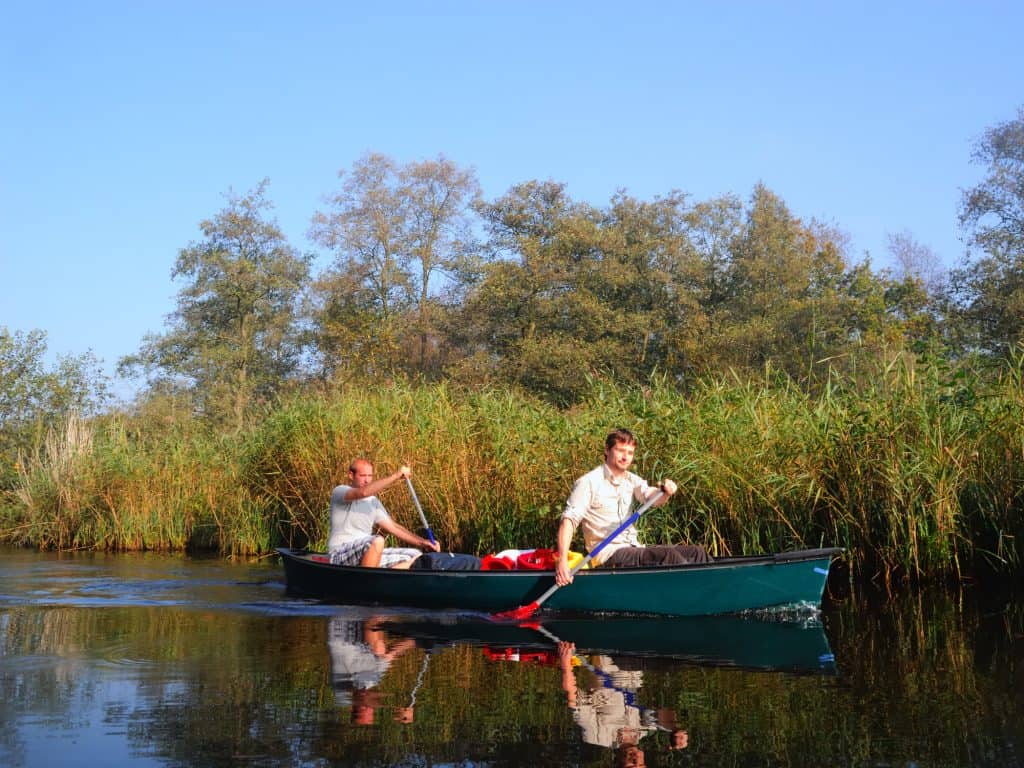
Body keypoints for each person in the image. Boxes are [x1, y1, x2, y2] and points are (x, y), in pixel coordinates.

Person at [556, 428, 710, 586]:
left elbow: (653, 497)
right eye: (620, 450)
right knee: (667, 556)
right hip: (608, 554)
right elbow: (568, 521)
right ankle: (696, 591)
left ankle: (713, 588)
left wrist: (665, 492)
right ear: (607, 450)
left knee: (697, 553)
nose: (625, 457)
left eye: (630, 452)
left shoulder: (631, 480)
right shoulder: (589, 482)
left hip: (633, 547)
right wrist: (562, 562)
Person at [328, 459, 440, 569]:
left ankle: (383, 582)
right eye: (363, 476)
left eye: (369, 476)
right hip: (339, 554)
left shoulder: (373, 502)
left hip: (367, 554)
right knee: (377, 541)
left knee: (417, 556)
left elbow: (394, 528)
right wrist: (396, 476)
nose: (367, 480)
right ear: (351, 475)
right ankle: (366, 583)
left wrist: (423, 542)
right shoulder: (340, 491)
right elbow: (363, 492)